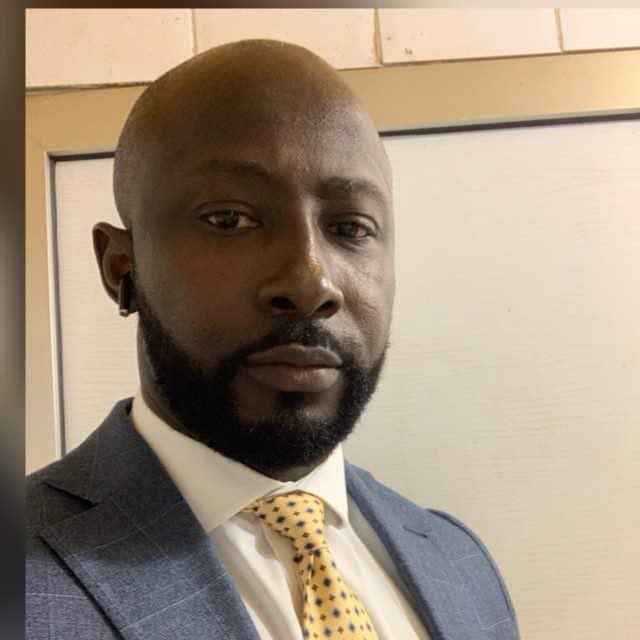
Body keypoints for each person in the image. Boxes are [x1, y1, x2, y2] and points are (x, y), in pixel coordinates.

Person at [26, 40, 519, 640]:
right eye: (229, 219)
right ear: (122, 268)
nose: (311, 283)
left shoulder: (460, 563)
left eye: (350, 226)